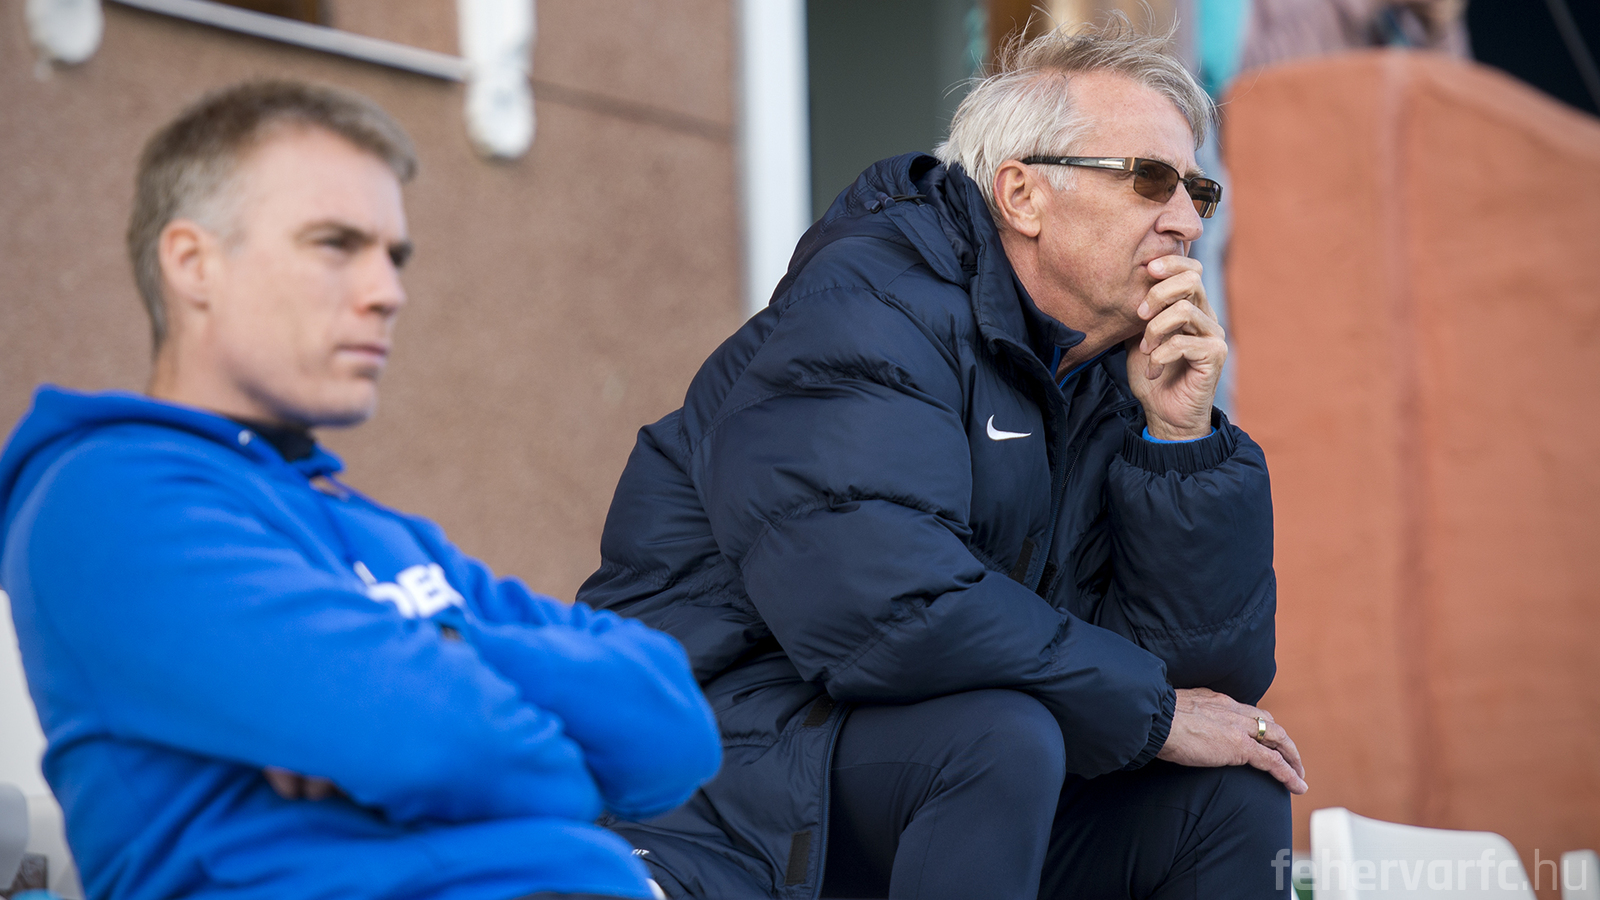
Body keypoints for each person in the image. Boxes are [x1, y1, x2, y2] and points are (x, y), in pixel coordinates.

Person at [578, 19, 1307, 900]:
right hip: (726, 770)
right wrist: (1152, 712)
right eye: (1148, 179)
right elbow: (887, 608)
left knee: (1228, 792)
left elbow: (1205, 689)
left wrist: (1179, 447)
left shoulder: (1114, 380)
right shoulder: (867, 311)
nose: (1185, 221)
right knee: (1002, 734)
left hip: (953, 780)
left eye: (1198, 189)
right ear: (1022, 195)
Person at [0, 81, 721, 900]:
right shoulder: (107, 500)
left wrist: (442, 656)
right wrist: (551, 757)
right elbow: (445, 746)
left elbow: (676, 729)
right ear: (193, 264)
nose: (387, 292)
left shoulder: (370, 526)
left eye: (394, 255)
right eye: (336, 244)